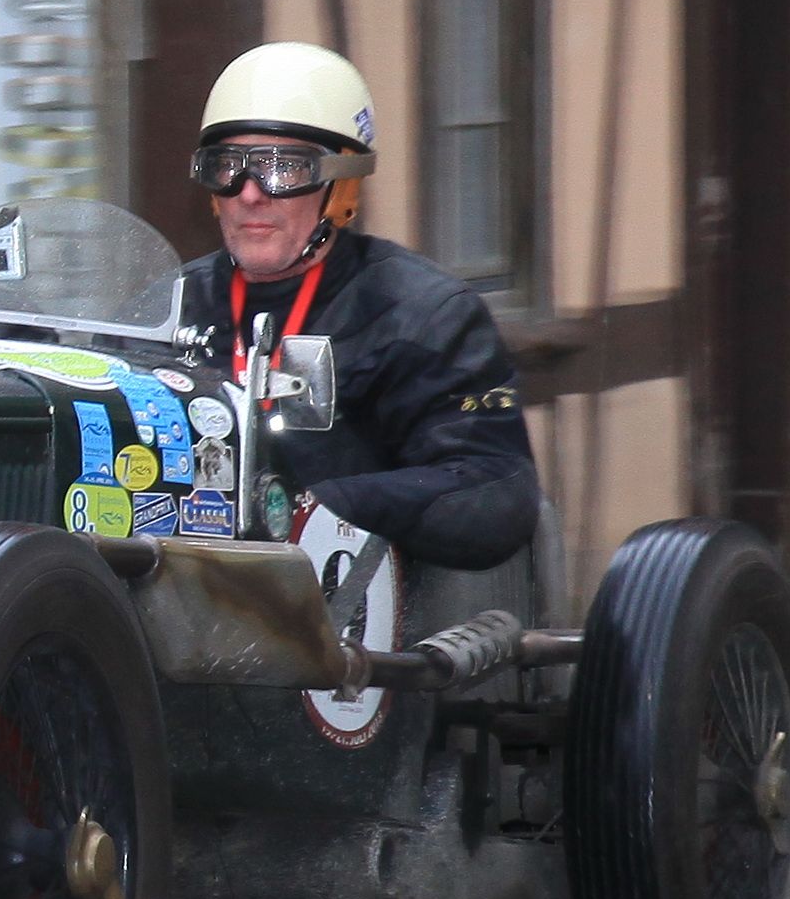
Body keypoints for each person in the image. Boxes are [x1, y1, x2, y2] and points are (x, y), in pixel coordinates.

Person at [165, 42, 541, 574]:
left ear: (342, 185)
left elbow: (495, 489)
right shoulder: (168, 306)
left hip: (351, 624)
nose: (249, 193)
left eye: (283, 169)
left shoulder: (426, 316)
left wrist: (315, 510)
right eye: (227, 167)